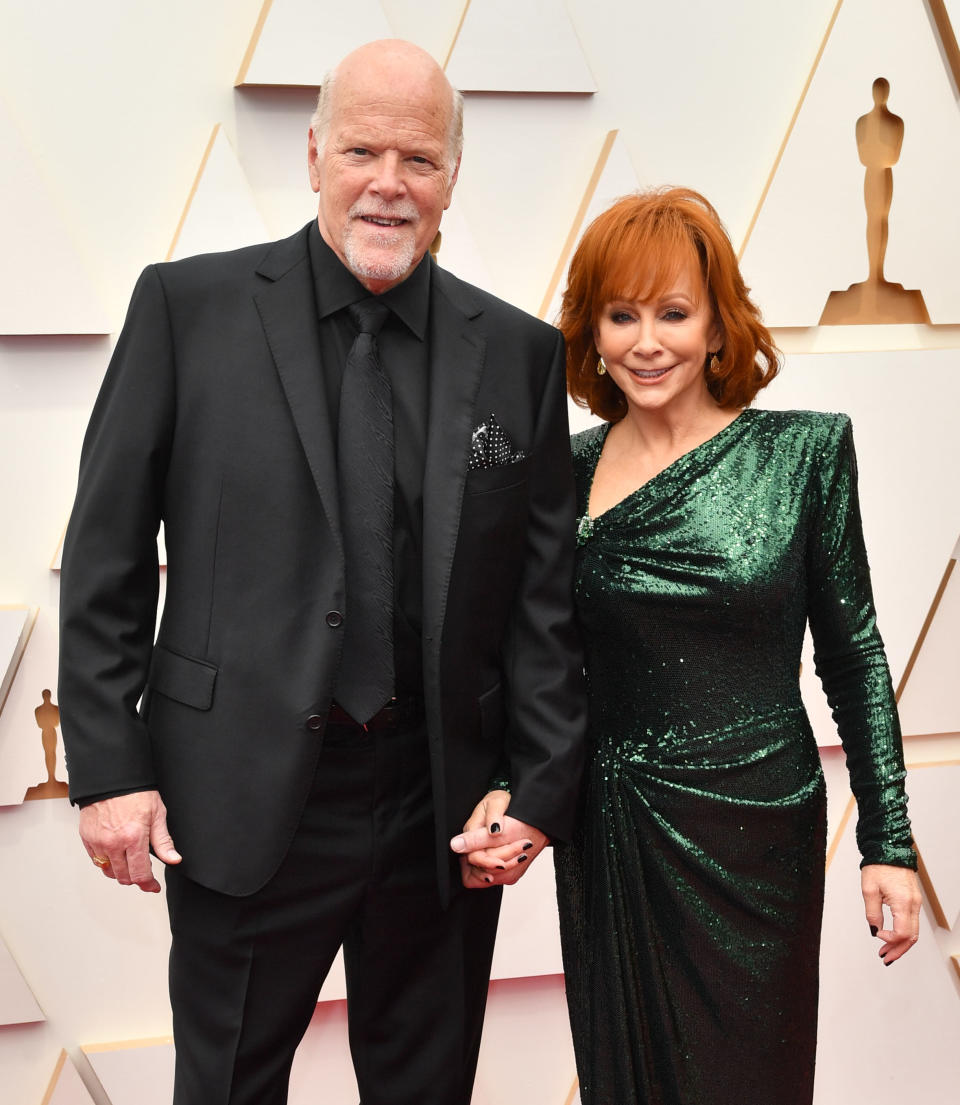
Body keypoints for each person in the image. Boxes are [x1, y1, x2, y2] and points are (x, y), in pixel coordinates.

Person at [58, 39, 586, 1105]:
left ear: (451, 179)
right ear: (312, 154)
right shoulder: (185, 310)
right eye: (361, 150)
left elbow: (541, 602)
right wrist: (109, 766)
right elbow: (107, 552)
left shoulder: (520, 354)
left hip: (440, 813)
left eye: (419, 159)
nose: (389, 182)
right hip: (239, 801)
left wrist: (533, 789)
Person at [552, 187, 920, 1103]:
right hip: (615, 822)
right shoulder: (562, 474)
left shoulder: (804, 454)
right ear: (591, 331)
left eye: (673, 313)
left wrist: (889, 839)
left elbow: (855, 656)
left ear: (719, 325)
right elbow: (540, 666)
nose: (647, 341)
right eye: (621, 314)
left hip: (758, 830)